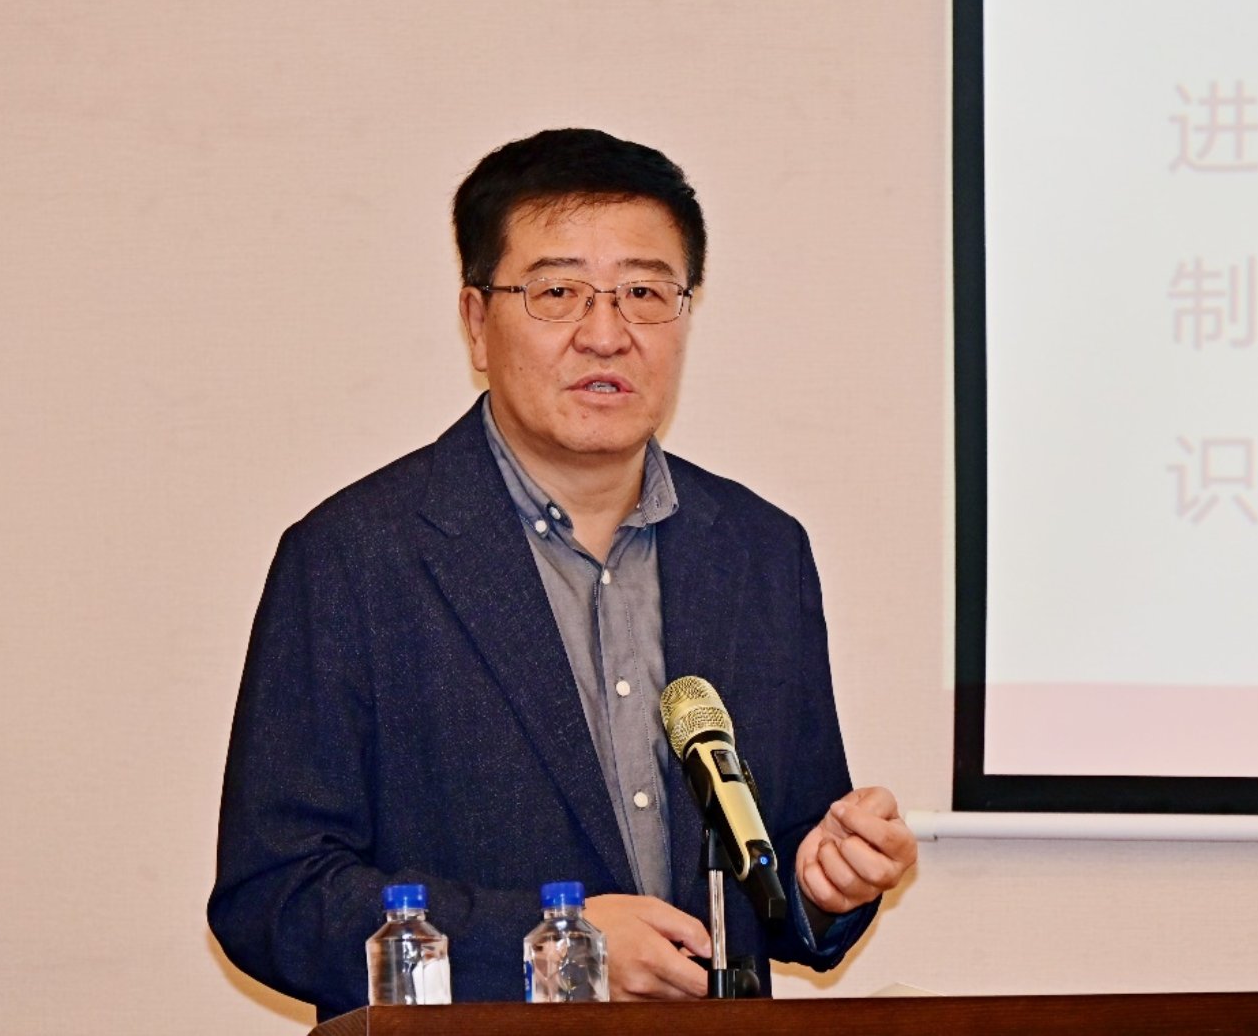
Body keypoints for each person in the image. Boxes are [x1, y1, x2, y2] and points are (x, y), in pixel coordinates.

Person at [208, 128, 916, 1019]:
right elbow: (276, 896)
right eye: (557, 293)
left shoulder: (760, 552)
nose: (607, 334)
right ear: (477, 320)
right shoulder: (355, 556)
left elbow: (780, 871)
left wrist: (824, 879)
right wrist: (554, 942)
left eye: (645, 292)